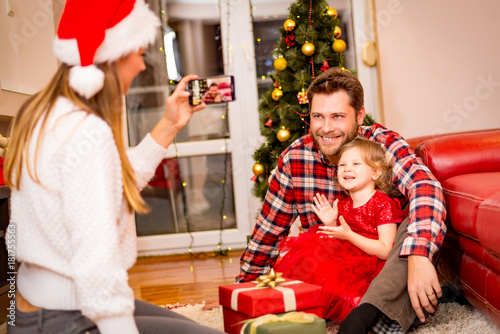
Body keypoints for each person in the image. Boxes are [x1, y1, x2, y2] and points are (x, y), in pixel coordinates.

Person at [4, 0, 222, 333]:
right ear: (115, 54)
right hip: (63, 317)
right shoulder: (85, 130)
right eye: (136, 52)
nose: (140, 64)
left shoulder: (50, 113)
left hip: (44, 306)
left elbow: (111, 182)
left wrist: (169, 123)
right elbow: (97, 264)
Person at [236, 68, 447, 333]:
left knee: (409, 227)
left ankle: (369, 317)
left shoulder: (382, 145)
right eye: (317, 117)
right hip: (335, 272)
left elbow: (424, 187)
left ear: (359, 116)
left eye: (337, 116)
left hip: (385, 266)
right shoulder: (295, 158)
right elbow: (269, 231)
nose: (326, 128)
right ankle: (364, 315)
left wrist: (418, 254)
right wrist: (241, 291)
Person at [274, 137, 403, 322]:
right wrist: (330, 224)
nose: (347, 169)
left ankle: (357, 304)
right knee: (312, 255)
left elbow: (385, 250)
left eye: (356, 163)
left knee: (342, 278)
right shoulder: (342, 205)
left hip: (373, 265)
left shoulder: (383, 204)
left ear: (375, 172)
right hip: (348, 259)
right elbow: (336, 246)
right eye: (342, 165)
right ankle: (319, 302)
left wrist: (349, 235)